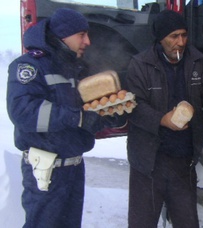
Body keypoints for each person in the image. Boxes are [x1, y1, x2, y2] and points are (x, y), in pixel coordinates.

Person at [7, 8, 125, 227]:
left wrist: (108, 116)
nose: (88, 41)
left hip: (73, 168)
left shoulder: (74, 68)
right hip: (46, 171)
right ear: (63, 35)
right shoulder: (30, 66)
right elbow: (23, 112)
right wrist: (77, 118)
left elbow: (84, 111)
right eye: (82, 35)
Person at [126, 9, 203, 228]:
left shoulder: (196, 60)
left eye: (184, 35)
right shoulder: (140, 64)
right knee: (142, 223)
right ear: (160, 38)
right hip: (149, 162)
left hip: (183, 162)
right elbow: (133, 106)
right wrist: (160, 119)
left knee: (187, 223)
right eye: (174, 36)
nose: (181, 42)